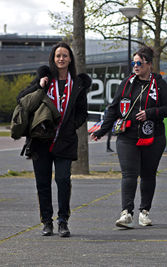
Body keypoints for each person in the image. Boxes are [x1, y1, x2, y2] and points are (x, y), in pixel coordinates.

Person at [91, 46, 167, 228]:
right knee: (129, 173)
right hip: (127, 135)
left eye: (139, 63)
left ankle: (144, 212)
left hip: (153, 135)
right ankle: (126, 212)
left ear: (149, 65)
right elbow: (113, 109)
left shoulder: (159, 84)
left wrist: (150, 113)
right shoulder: (127, 83)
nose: (135, 66)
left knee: (148, 174)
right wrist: (101, 130)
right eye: (133, 63)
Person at [16, 42, 91, 237]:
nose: (61, 59)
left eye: (65, 56)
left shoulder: (77, 84)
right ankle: (47, 222)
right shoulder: (45, 80)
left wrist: (72, 125)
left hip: (64, 141)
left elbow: (83, 112)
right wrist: (40, 86)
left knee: (63, 179)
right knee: (42, 183)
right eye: (58, 56)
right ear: (53, 58)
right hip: (41, 141)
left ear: (70, 59)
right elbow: (22, 99)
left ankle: (63, 220)